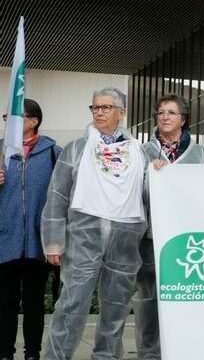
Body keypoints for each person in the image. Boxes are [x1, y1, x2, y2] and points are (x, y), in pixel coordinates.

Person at [41, 87, 149, 360]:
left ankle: (106, 356)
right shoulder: (76, 149)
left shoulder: (140, 152)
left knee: (117, 307)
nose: (99, 112)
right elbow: (56, 196)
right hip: (82, 240)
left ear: (121, 112)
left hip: (125, 241)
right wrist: (53, 241)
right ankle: (56, 356)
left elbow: (148, 196)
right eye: (95, 107)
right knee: (72, 304)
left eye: (106, 107)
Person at [135, 95, 204, 360]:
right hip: (149, 238)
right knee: (148, 301)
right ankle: (148, 354)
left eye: (171, 112)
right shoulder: (142, 151)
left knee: (183, 298)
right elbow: (131, 192)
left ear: (183, 119)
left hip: (184, 241)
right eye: (160, 112)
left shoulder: (199, 153)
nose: (164, 117)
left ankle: (182, 351)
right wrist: (150, 176)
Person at [0, 99, 61, 360]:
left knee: (35, 303)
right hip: (5, 240)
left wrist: (58, 240)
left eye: (15, 117)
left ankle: (33, 353)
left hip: (40, 241)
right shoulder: (1, 151)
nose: (8, 123)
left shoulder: (53, 153)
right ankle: (4, 352)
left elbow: (64, 198)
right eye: (6, 118)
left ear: (34, 121)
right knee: (4, 303)